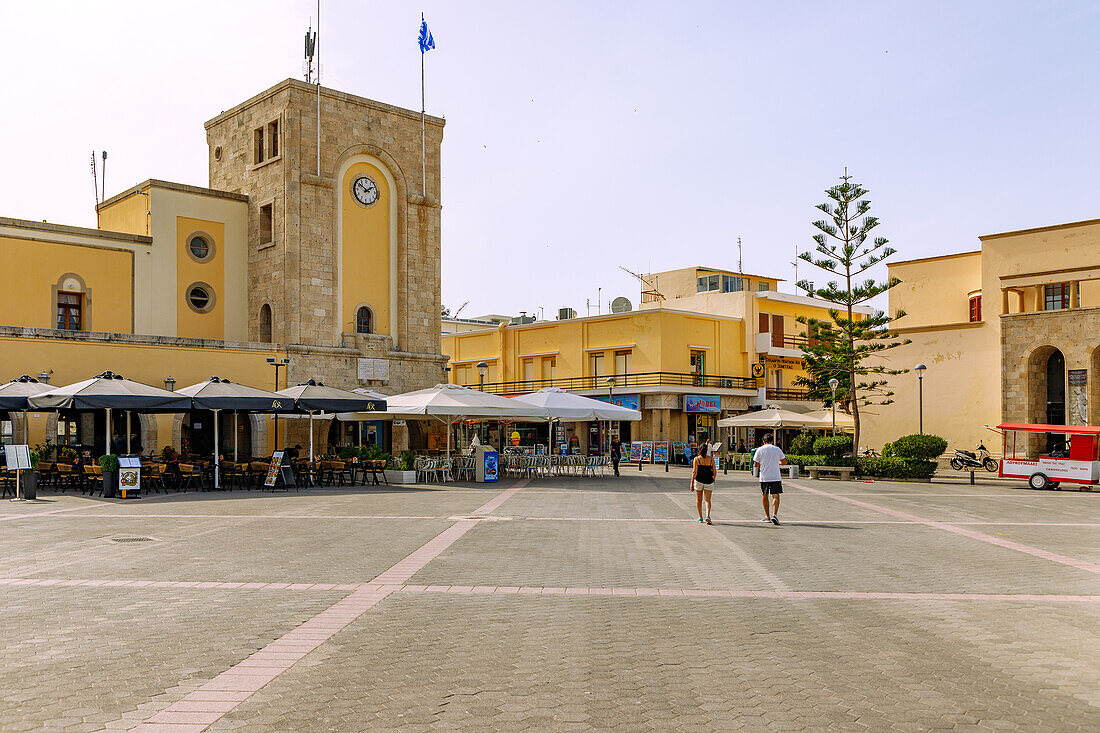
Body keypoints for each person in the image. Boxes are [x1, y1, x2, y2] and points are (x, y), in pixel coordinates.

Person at [753, 433, 787, 525]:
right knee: (775, 496)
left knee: (765, 495)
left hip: (764, 477)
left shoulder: (759, 450)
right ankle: (775, 515)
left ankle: (767, 516)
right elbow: (784, 462)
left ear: (763, 441)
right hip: (775, 476)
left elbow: (756, 464)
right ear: (772, 441)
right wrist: (777, 463)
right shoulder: (777, 449)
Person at [690, 442, 717, 525]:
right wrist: (714, 479)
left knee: (699, 500)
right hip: (709, 481)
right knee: (708, 500)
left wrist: (691, 482)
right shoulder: (711, 459)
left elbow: (694, 471)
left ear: (699, 450)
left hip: (699, 481)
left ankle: (700, 517)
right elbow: (714, 471)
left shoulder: (697, 459)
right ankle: (708, 515)